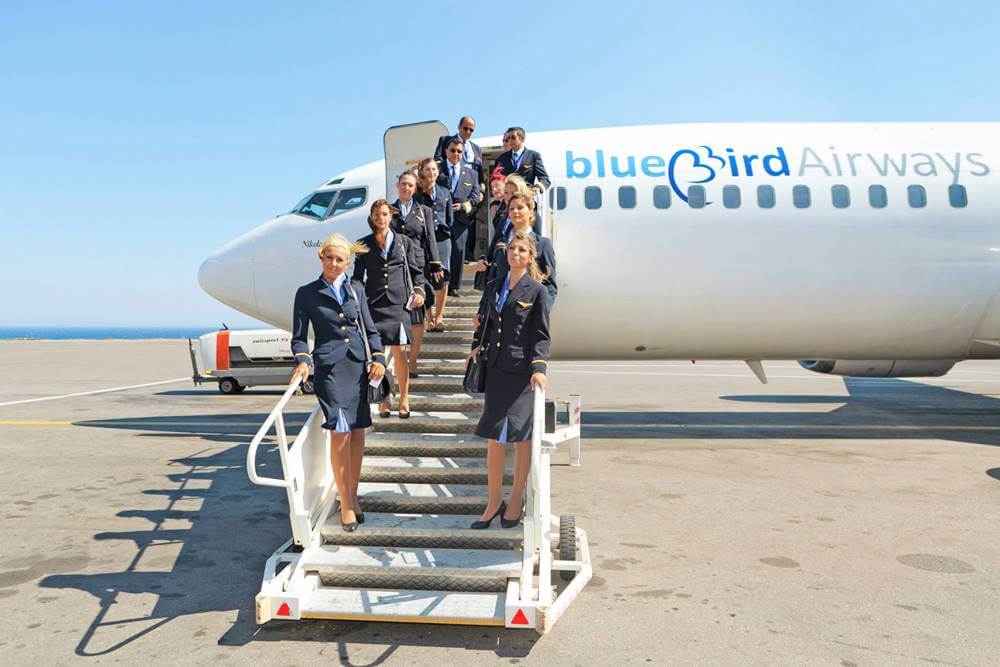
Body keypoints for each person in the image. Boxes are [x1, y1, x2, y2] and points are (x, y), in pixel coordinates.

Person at [290, 233, 386, 532]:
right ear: (321, 257)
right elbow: (298, 337)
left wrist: (380, 358)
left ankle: (352, 496)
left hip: (358, 367)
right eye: (329, 257)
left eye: (340, 259)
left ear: (347, 263)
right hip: (330, 370)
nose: (334, 263)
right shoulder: (306, 293)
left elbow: (370, 330)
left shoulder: (355, 289)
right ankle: (344, 502)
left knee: (357, 433)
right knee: (340, 434)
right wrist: (303, 360)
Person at [468, 232, 551, 529]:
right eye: (511, 249)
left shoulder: (537, 292)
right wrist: (478, 344)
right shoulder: (494, 286)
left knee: (520, 437)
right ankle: (493, 502)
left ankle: (516, 497)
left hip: (522, 374)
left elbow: (541, 336)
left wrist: (539, 368)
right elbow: (488, 322)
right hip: (497, 370)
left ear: (529, 257)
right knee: (494, 437)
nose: (515, 253)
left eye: (521, 250)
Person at [353, 199, 425, 419]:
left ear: (390, 216)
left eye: (384, 214)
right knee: (379, 353)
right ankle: (385, 399)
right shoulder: (363, 244)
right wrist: (357, 296)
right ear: (371, 218)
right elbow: (357, 278)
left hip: (399, 303)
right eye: (376, 215)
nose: (380, 218)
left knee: (399, 351)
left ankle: (404, 397)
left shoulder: (404, 242)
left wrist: (420, 292)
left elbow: (417, 272)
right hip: (375, 303)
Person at [391, 170, 441, 377]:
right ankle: (399, 360)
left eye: (410, 185)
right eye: (403, 184)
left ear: (415, 188)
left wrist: (436, 264)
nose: (406, 188)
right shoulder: (389, 210)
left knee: (417, 316)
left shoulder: (424, 211)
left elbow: (430, 238)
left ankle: (412, 361)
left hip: (417, 268)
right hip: (395, 267)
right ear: (398, 186)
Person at [476, 189, 556, 310]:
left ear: (530, 212)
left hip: (525, 314)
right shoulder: (501, 243)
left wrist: (540, 313)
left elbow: (550, 286)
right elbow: (491, 282)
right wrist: (481, 311)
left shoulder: (543, 245)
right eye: (511, 209)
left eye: (520, 208)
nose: (515, 211)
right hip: (497, 312)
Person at [439, 138, 482, 297]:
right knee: (441, 253)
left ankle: (454, 286)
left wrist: (464, 207)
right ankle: (439, 285)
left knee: (458, 251)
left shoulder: (472, 174)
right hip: (441, 220)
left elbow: (475, 196)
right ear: (446, 151)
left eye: (459, 151)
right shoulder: (437, 170)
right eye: (453, 150)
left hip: (461, 220)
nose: (456, 154)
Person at [415, 157, 454, 332]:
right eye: (428, 169)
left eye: (434, 169)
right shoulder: (417, 195)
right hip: (424, 240)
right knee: (426, 277)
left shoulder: (445, 192)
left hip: (443, 239)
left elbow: (450, 218)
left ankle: (439, 316)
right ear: (422, 172)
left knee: (443, 278)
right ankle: (429, 317)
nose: (432, 172)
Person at [494, 127, 551, 235]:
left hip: (525, 202)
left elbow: (545, 179)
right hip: (507, 204)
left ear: (522, 138)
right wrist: (495, 202)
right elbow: (496, 181)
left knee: (534, 231)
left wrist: (537, 188)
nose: (509, 141)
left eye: (512, 137)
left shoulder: (533, 156)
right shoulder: (502, 158)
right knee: (500, 232)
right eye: (507, 138)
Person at [433, 115, 484, 184]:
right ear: (459, 127)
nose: (468, 132)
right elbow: (437, 160)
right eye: (465, 128)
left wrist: (481, 191)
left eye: (471, 130)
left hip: (470, 185)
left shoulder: (476, 149)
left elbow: (479, 172)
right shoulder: (445, 140)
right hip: (450, 183)